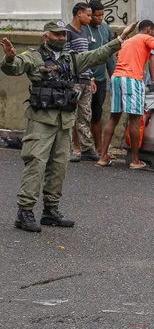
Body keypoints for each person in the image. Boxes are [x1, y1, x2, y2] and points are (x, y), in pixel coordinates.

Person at [1, 20, 136, 232]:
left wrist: (120, 39)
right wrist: (9, 58)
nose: (61, 38)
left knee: (59, 166)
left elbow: (96, 55)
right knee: (35, 163)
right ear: (46, 36)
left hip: (64, 122)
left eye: (63, 35)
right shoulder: (33, 57)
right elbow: (14, 67)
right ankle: (24, 211)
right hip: (41, 121)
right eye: (56, 35)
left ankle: (50, 210)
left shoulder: (70, 59)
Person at [96, 20, 154, 170]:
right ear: (149, 29)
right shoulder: (146, 37)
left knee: (114, 117)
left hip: (116, 78)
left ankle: (103, 157)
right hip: (132, 79)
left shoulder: (127, 41)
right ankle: (135, 160)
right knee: (135, 118)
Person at [65, 2, 101, 162]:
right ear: (79, 13)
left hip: (86, 80)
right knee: (70, 116)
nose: (90, 17)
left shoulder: (84, 32)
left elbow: (86, 57)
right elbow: (66, 59)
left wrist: (91, 77)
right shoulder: (68, 32)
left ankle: (87, 148)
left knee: (85, 115)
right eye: (88, 14)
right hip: (74, 81)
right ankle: (71, 149)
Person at [84, 1, 115, 157]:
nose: (100, 18)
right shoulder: (83, 29)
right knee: (81, 115)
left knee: (97, 114)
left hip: (101, 80)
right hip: (85, 79)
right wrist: (89, 76)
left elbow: (109, 55)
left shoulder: (105, 29)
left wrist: (114, 75)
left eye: (102, 15)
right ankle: (78, 148)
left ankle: (99, 149)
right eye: (97, 15)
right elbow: (81, 56)